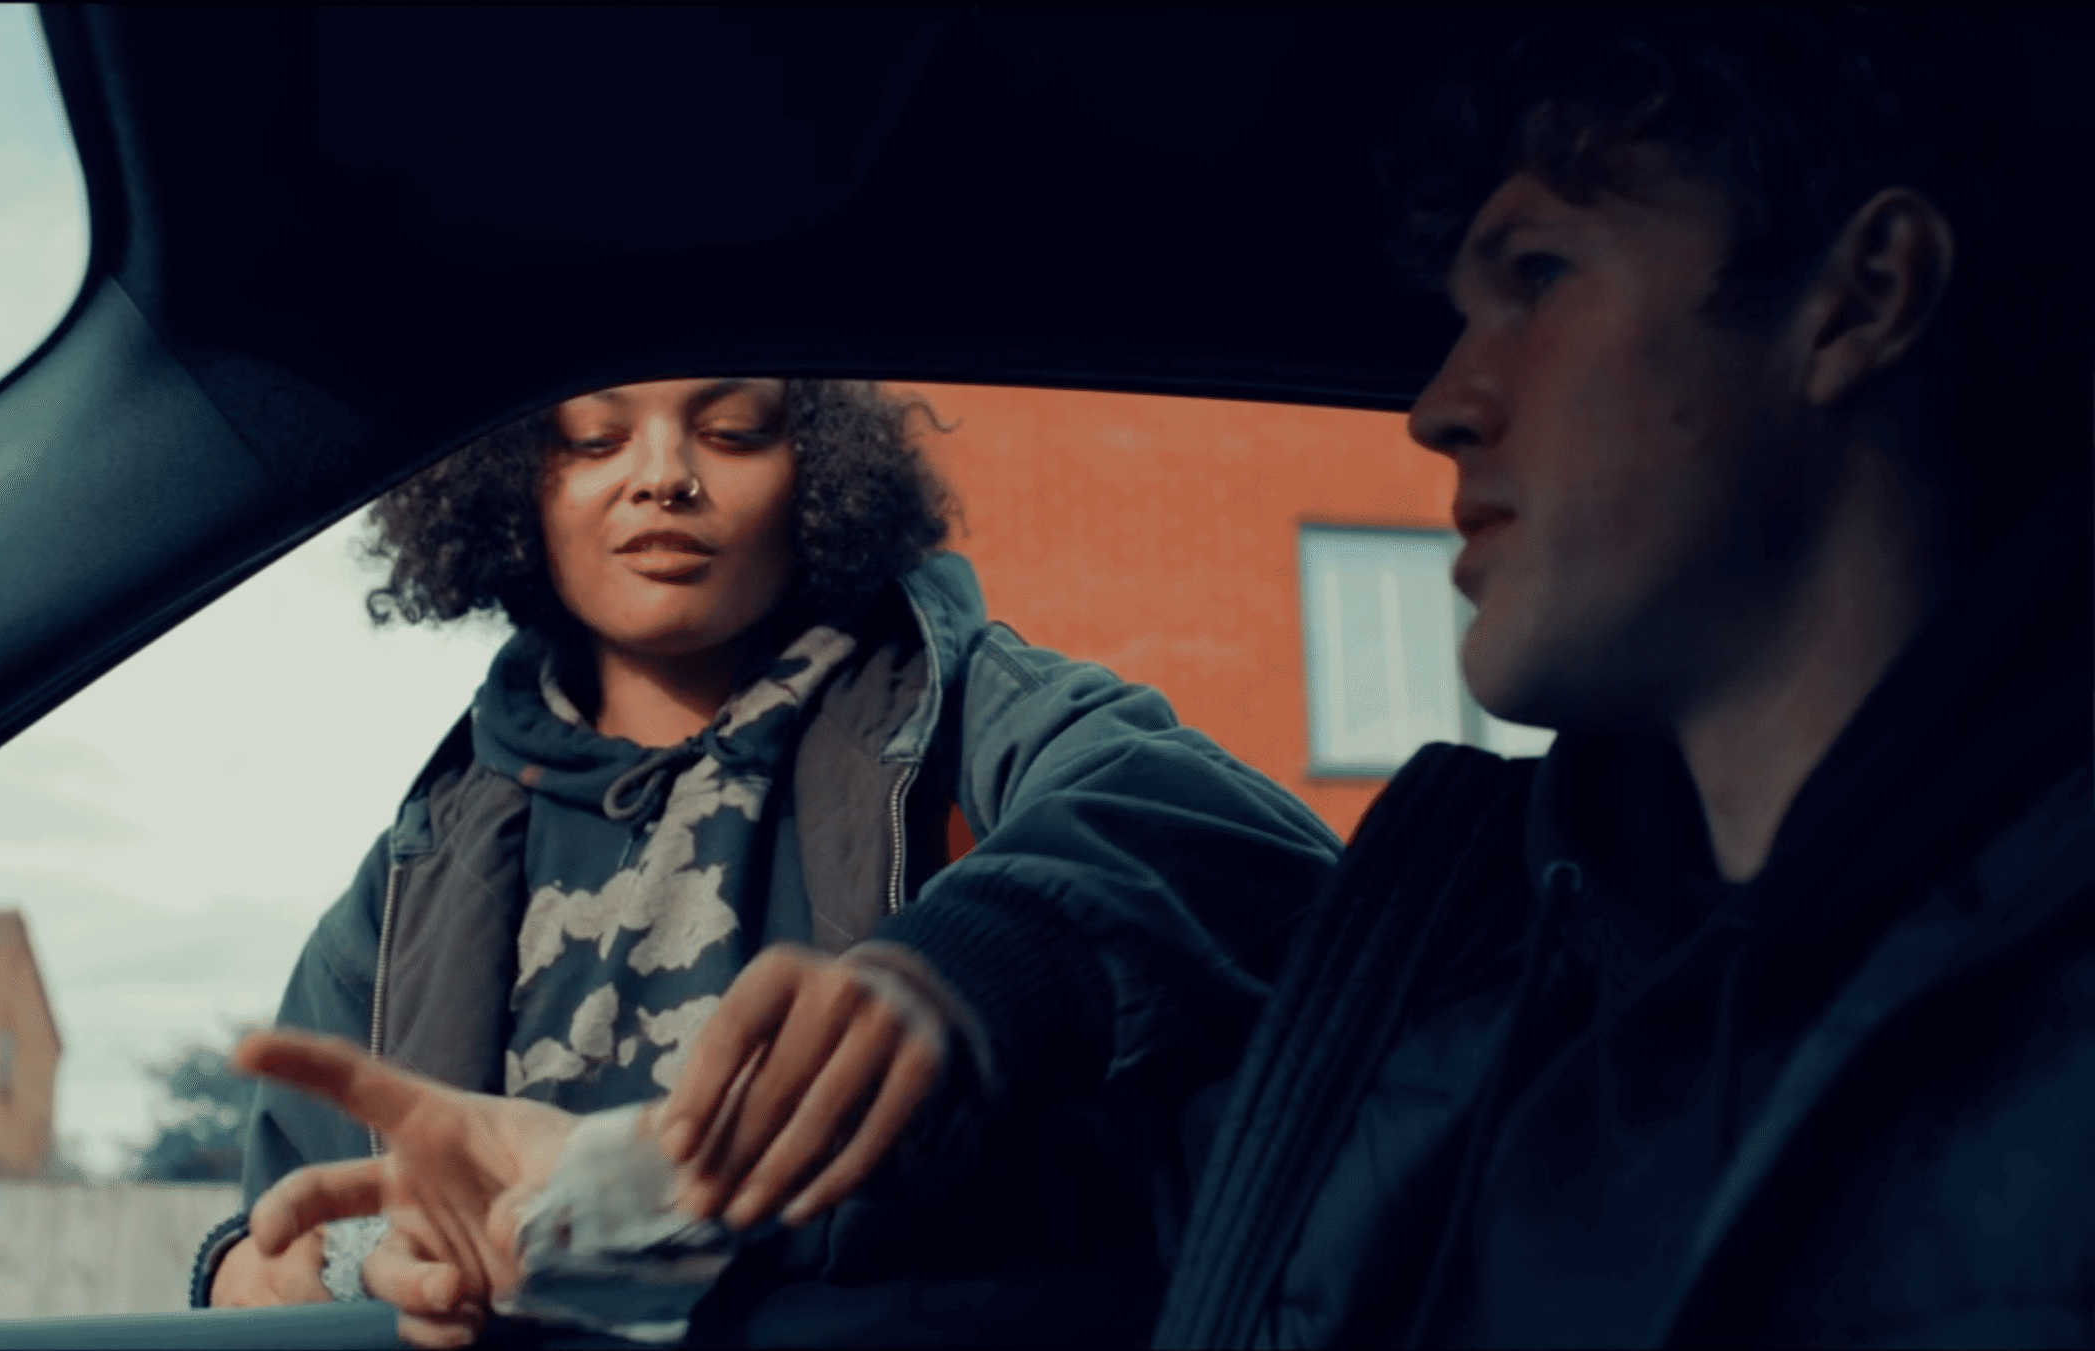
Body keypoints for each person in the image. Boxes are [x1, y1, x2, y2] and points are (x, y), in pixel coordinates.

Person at [1156, 13, 2093, 1347]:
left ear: (1863, 295)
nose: (1437, 405)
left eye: (1537, 273)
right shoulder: (1472, 941)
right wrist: (985, 971)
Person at [187, 377, 1340, 1345]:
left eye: (733, 429)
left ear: (821, 471)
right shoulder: (421, 863)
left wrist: (970, 964)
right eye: (593, 438)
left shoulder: (960, 710)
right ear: (513, 486)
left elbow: (1236, 833)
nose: (662, 475)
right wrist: (319, 1263)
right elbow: (285, 1226)